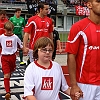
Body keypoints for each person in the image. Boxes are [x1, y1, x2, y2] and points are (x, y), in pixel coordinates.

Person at [66, 0, 100, 100]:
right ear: (89, 5)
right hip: (84, 84)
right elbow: (71, 56)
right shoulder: (78, 27)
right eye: (98, 1)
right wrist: (74, 85)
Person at [0, 21, 23, 100]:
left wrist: (25, 49)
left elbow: (21, 45)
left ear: (12, 29)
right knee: (6, 74)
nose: (9, 32)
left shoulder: (15, 37)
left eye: (10, 30)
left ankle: (7, 83)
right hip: (4, 57)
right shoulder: (1, 37)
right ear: (4, 29)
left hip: (12, 57)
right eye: (7, 30)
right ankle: (7, 92)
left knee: (10, 72)